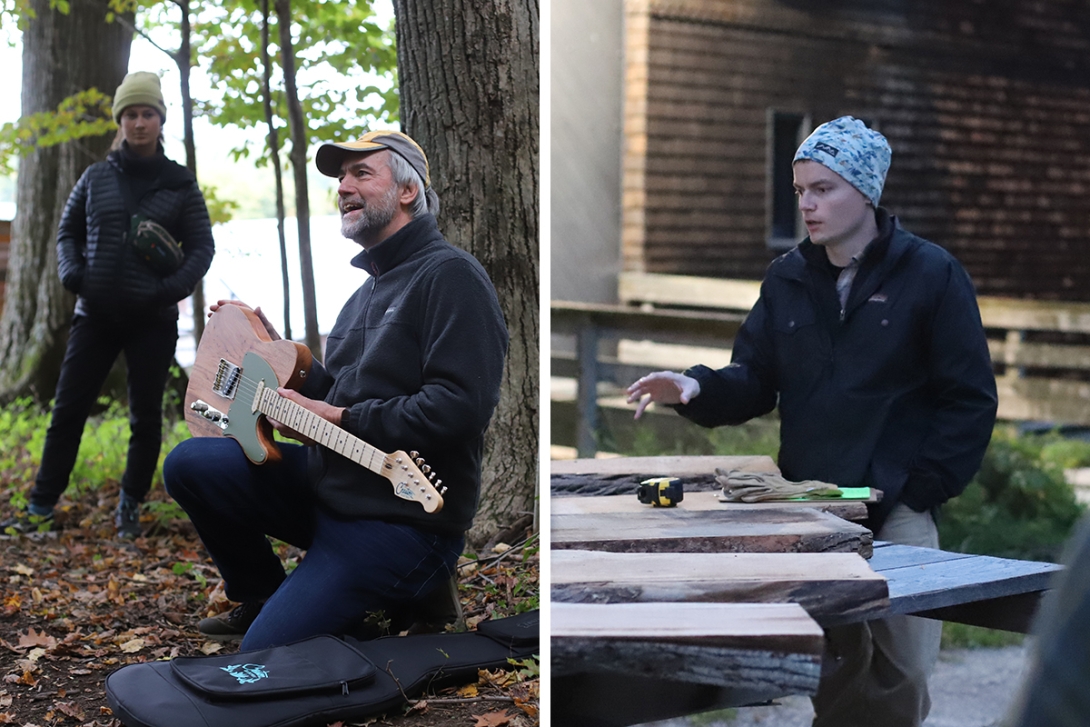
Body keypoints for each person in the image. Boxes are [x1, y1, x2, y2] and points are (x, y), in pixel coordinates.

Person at [626, 116, 998, 727]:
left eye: (823, 188)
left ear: (867, 191)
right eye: (800, 191)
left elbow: (970, 399)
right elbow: (754, 379)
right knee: (836, 667)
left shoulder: (931, 274)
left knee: (902, 674)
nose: (807, 204)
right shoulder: (787, 279)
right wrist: (693, 387)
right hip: (814, 501)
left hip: (898, 504)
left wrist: (923, 489)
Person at [162, 130, 508, 650]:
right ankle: (261, 596)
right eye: (340, 178)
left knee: (265, 654)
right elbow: (338, 393)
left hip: (404, 518)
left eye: (360, 174)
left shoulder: (451, 277)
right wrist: (275, 351)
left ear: (407, 191)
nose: (343, 187)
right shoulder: (363, 292)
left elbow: (459, 408)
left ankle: (413, 591)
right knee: (191, 463)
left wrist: (340, 420)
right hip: (330, 490)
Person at [1, 71, 215, 540]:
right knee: (67, 412)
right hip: (94, 316)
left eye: (148, 114)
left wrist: (166, 292)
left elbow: (202, 248)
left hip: (152, 321)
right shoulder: (96, 177)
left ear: (160, 120)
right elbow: (67, 232)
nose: (140, 123)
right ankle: (39, 507)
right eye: (131, 114)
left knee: (145, 418)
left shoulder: (179, 184)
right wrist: (74, 275)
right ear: (120, 121)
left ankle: (129, 508)